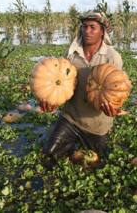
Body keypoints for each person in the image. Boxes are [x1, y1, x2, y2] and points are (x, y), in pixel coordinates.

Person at [41, 11, 124, 161]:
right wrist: (52, 101)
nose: (87, 31)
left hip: (96, 125)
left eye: (93, 27)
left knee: (99, 164)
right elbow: (60, 85)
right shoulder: (71, 54)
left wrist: (114, 110)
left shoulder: (112, 57)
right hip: (70, 118)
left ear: (102, 31)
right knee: (48, 155)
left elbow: (117, 90)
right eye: (84, 27)